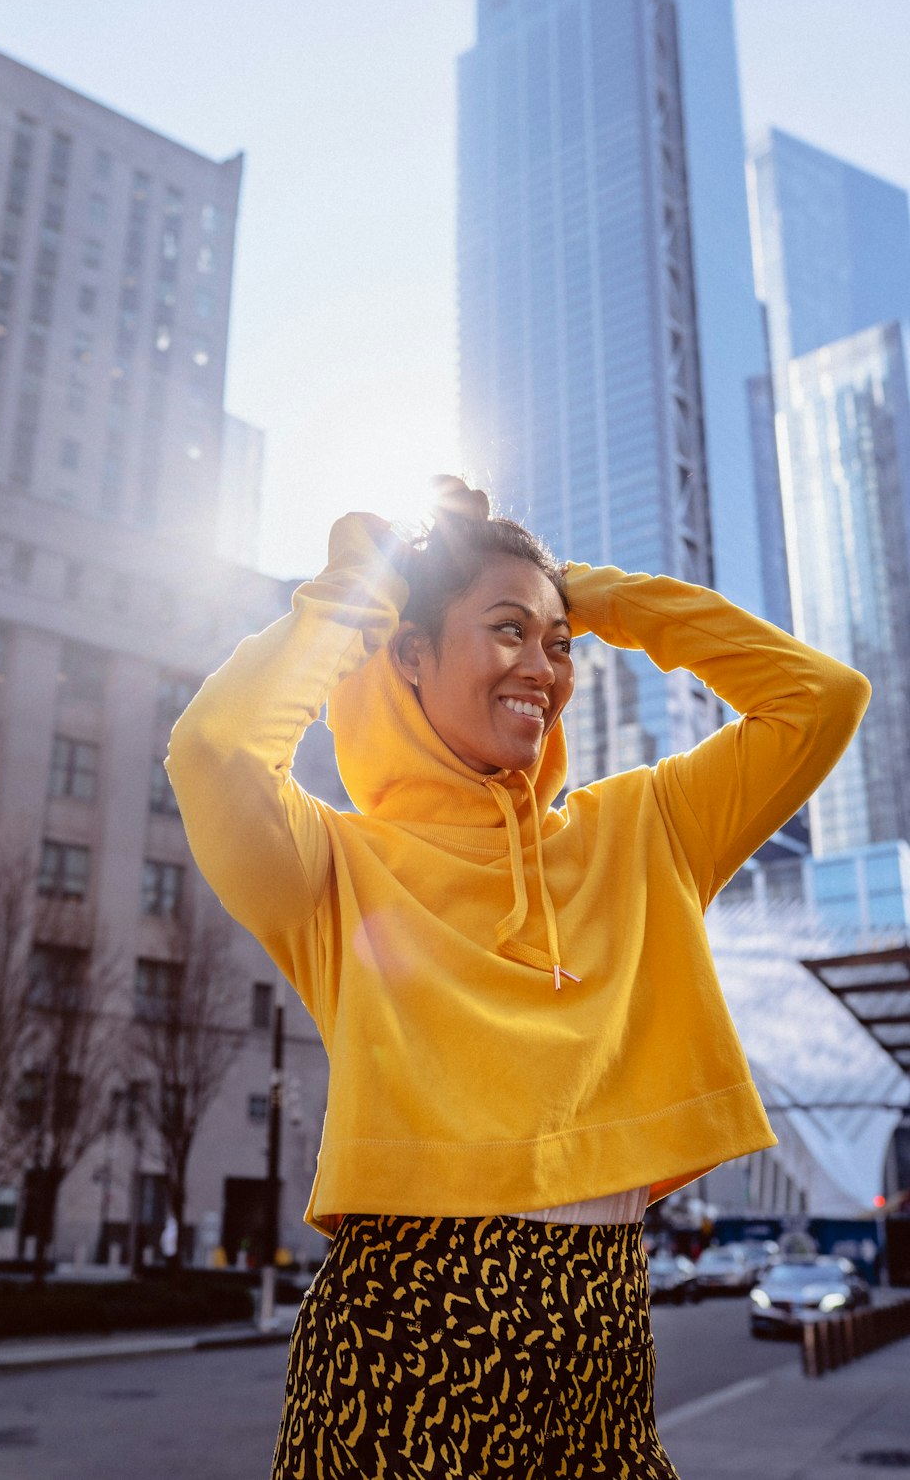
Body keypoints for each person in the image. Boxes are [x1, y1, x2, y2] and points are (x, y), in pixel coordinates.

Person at [166, 477, 869, 1479]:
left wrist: (581, 594)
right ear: (407, 654)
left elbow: (821, 699)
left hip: (606, 1346)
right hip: (402, 1346)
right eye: (506, 633)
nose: (542, 667)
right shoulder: (334, 866)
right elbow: (212, 750)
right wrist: (352, 591)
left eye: (557, 645)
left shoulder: (644, 829)